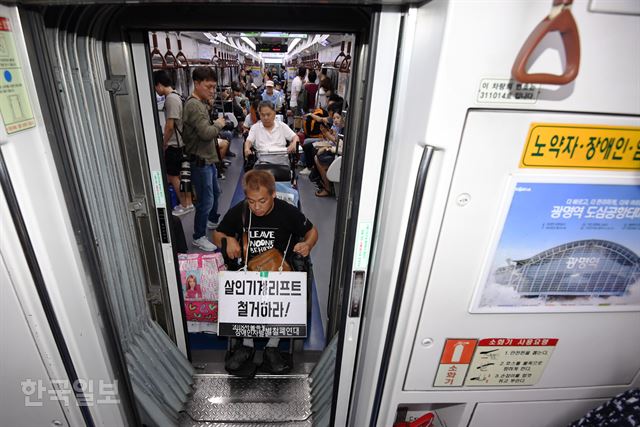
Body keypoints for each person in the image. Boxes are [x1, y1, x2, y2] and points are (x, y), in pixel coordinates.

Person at [212, 169, 318, 375]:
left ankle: (272, 345)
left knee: (278, 291)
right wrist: (228, 240)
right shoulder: (241, 211)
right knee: (243, 287)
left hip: (279, 273)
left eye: (262, 201)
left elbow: (312, 232)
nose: (257, 207)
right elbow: (217, 234)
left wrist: (308, 245)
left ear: (273, 195)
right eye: (252, 201)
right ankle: (247, 345)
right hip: (249, 271)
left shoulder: (287, 212)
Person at [182, 66, 227, 252]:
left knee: (215, 193)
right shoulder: (193, 105)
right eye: (208, 86)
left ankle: (211, 221)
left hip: (207, 159)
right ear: (197, 83)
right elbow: (207, 133)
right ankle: (198, 236)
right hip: (200, 162)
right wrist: (218, 124)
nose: (212, 90)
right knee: (205, 201)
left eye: (214, 87)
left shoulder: (201, 103)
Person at [153, 70, 194, 216]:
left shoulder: (170, 99)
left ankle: (184, 205)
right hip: (182, 142)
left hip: (174, 144)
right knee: (183, 175)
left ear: (159, 85)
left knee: (173, 176)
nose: (156, 91)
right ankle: (188, 203)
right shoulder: (178, 96)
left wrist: (164, 143)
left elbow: (170, 125)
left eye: (155, 87)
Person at [244, 100, 299, 166]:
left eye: (268, 114)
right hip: (263, 163)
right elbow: (248, 141)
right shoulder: (255, 128)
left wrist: (293, 143)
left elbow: (295, 137)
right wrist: (247, 148)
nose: (266, 118)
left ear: (274, 113)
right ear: (259, 114)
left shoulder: (282, 126)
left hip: (282, 163)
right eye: (263, 115)